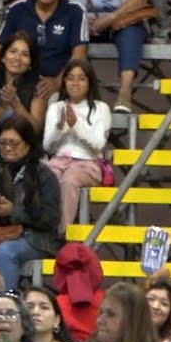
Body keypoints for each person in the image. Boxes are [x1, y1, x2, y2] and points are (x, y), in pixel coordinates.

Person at [0, 118, 61, 290]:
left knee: (6, 251)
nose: (8, 148)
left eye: (14, 143)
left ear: (28, 144)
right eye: (2, 143)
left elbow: (51, 219)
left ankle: (5, 306)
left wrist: (13, 211)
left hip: (35, 237)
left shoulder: (44, 174)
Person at [0, 0, 87, 100]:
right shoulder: (17, 9)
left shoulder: (75, 11)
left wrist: (57, 82)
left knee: (53, 102)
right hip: (17, 80)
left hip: (56, 83)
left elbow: (79, 55)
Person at [43, 60, 111, 229]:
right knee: (43, 177)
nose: (75, 83)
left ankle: (63, 232)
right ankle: (41, 229)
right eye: (70, 78)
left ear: (89, 82)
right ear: (64, 82)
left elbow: (98, 145)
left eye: (81, 78)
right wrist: (60, 128)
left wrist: (75, 125)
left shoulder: (101, 108)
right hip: (58, 161)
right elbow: (48, 147)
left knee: (69, 181)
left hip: (88, 164)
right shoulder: (56, 107)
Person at [0, 32, 45, 149]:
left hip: (21, 149)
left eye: (25, 55)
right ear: (3, 57)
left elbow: (35, 131)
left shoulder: (38, 87)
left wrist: (16, 104)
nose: (17, 58)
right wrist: (1, 109)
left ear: (30, 63)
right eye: (12, 51)